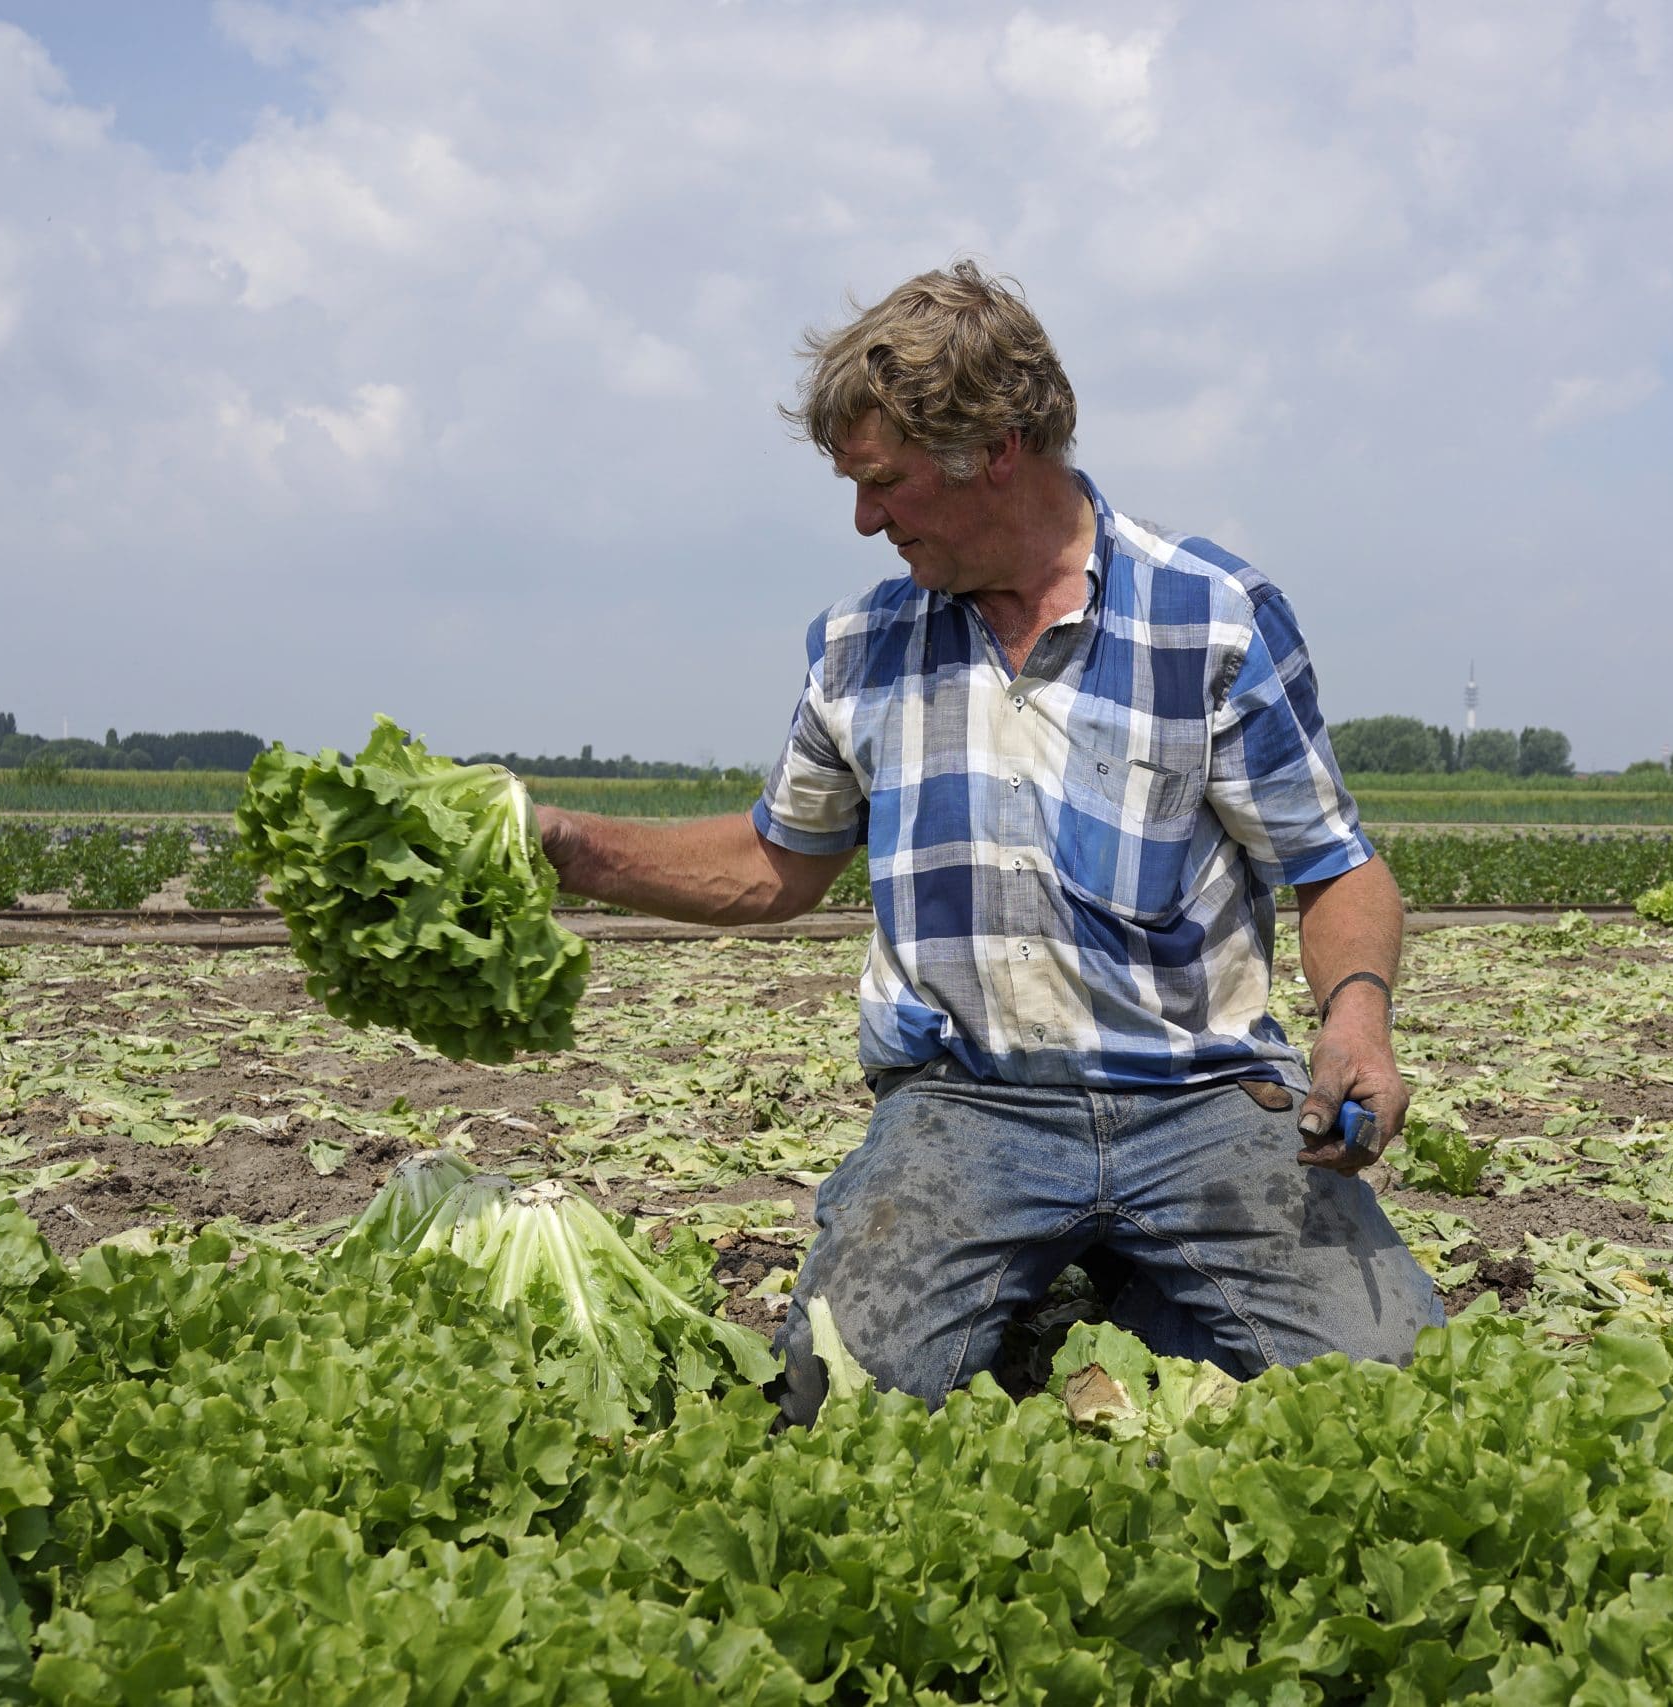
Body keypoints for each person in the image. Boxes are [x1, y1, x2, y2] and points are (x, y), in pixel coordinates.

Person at [533, 262, 1442, 1424]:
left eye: (885, 482)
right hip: (969, 1107)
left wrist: (1356, 1018)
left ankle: (1116, 1281)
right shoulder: (861, 647)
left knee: (1403, 1390)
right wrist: (566, 844)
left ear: (997, 448)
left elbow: (1333, 866)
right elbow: (774, 866)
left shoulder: (1207, 615)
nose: (866, 519)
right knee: (824, 1403)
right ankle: (1082, 1281)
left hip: (1202, 1103)